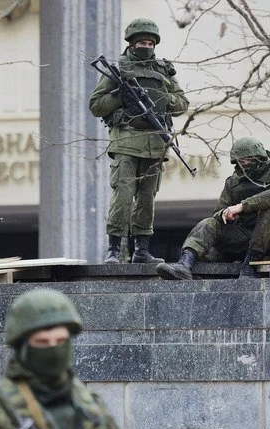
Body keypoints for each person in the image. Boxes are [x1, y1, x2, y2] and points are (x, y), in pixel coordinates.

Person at [89, 17, 189, 265]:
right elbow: (96, 106)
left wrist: (162, 99)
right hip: (126, 142)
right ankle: (114, 250)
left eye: (150, 42)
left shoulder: (164, 71)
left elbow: (182, 105)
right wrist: (121, 95)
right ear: (132, 43)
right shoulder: (119, 69)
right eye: (142, 41)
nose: (147, 46)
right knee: (122, 196)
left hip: (155, 143)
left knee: (147, 199)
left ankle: (141, 250)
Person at [0, 287, 123, 429]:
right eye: (42, 342)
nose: (53, 350)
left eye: (60, 341)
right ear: (22, 348)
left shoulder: (90, 405)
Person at [156, 137, 270, 279]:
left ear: (261, 158)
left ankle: (250, 265)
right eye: (242, 161)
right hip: (242, 236)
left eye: (251, 160)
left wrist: (242, 206)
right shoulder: (233, 182)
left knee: (269, 209)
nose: (246, 164)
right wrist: (224, 213)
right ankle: (184, 265)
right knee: (209, 223)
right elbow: (217, 212)